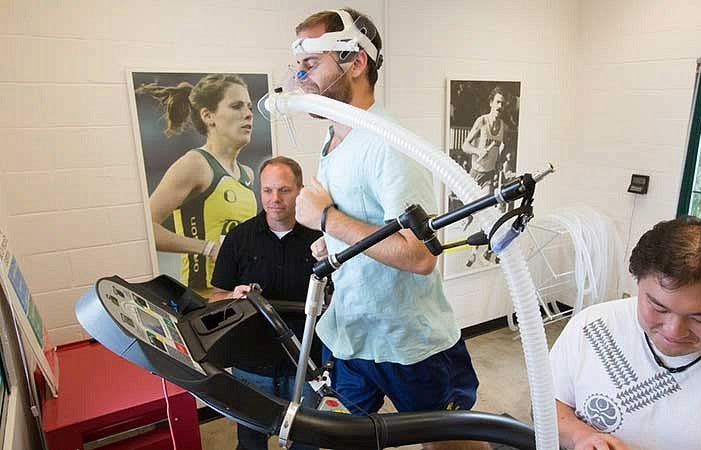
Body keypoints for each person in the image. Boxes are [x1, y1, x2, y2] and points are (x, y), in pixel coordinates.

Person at [290, 9, 489, 450]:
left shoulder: (388, 145)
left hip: (410, 345)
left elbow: (420, 256)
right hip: (352, 337)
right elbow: (373, 225)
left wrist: (326, 219)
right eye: (299, 66)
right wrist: (333, 239)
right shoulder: (335, 141)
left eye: (312, 64)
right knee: (331, 440)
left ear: (356, 62)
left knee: (452, 446)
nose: (300, 78)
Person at [549, 216, 701, 450]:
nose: (673, 330)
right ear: (637, 282)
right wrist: (579, 435)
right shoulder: (593, 326)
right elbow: (548, 404)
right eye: (658, 307)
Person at [209, 156, 321, 450]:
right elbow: (215, 297)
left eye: (284, 190)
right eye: (268, 190)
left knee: (307, 442)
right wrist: (234, 296)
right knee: (250, 442)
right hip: (251, 367)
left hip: (306, 365)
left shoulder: (321, 239)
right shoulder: (238, 239)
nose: (275, 199)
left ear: (300, 190)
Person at [136, 74, 257, 298]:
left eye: (249, 106)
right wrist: (207, 248)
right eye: (236, 106)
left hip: (239, 295)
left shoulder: (247, 174)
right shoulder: (195, 164)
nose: (248, 113)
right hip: (204, 299)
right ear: (208, 115)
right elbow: (144, 228)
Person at [461, 86, 509, 195]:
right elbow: (465, 146)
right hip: (475, 173)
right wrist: (479, 151)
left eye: (503, 104)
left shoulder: (504, 127)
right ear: (491, 103)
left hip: (489, 175)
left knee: (485, 206)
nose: (500, 106)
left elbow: (504, 145)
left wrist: (499, 159)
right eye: (497, 102)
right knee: (471, 209)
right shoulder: (482, 121)